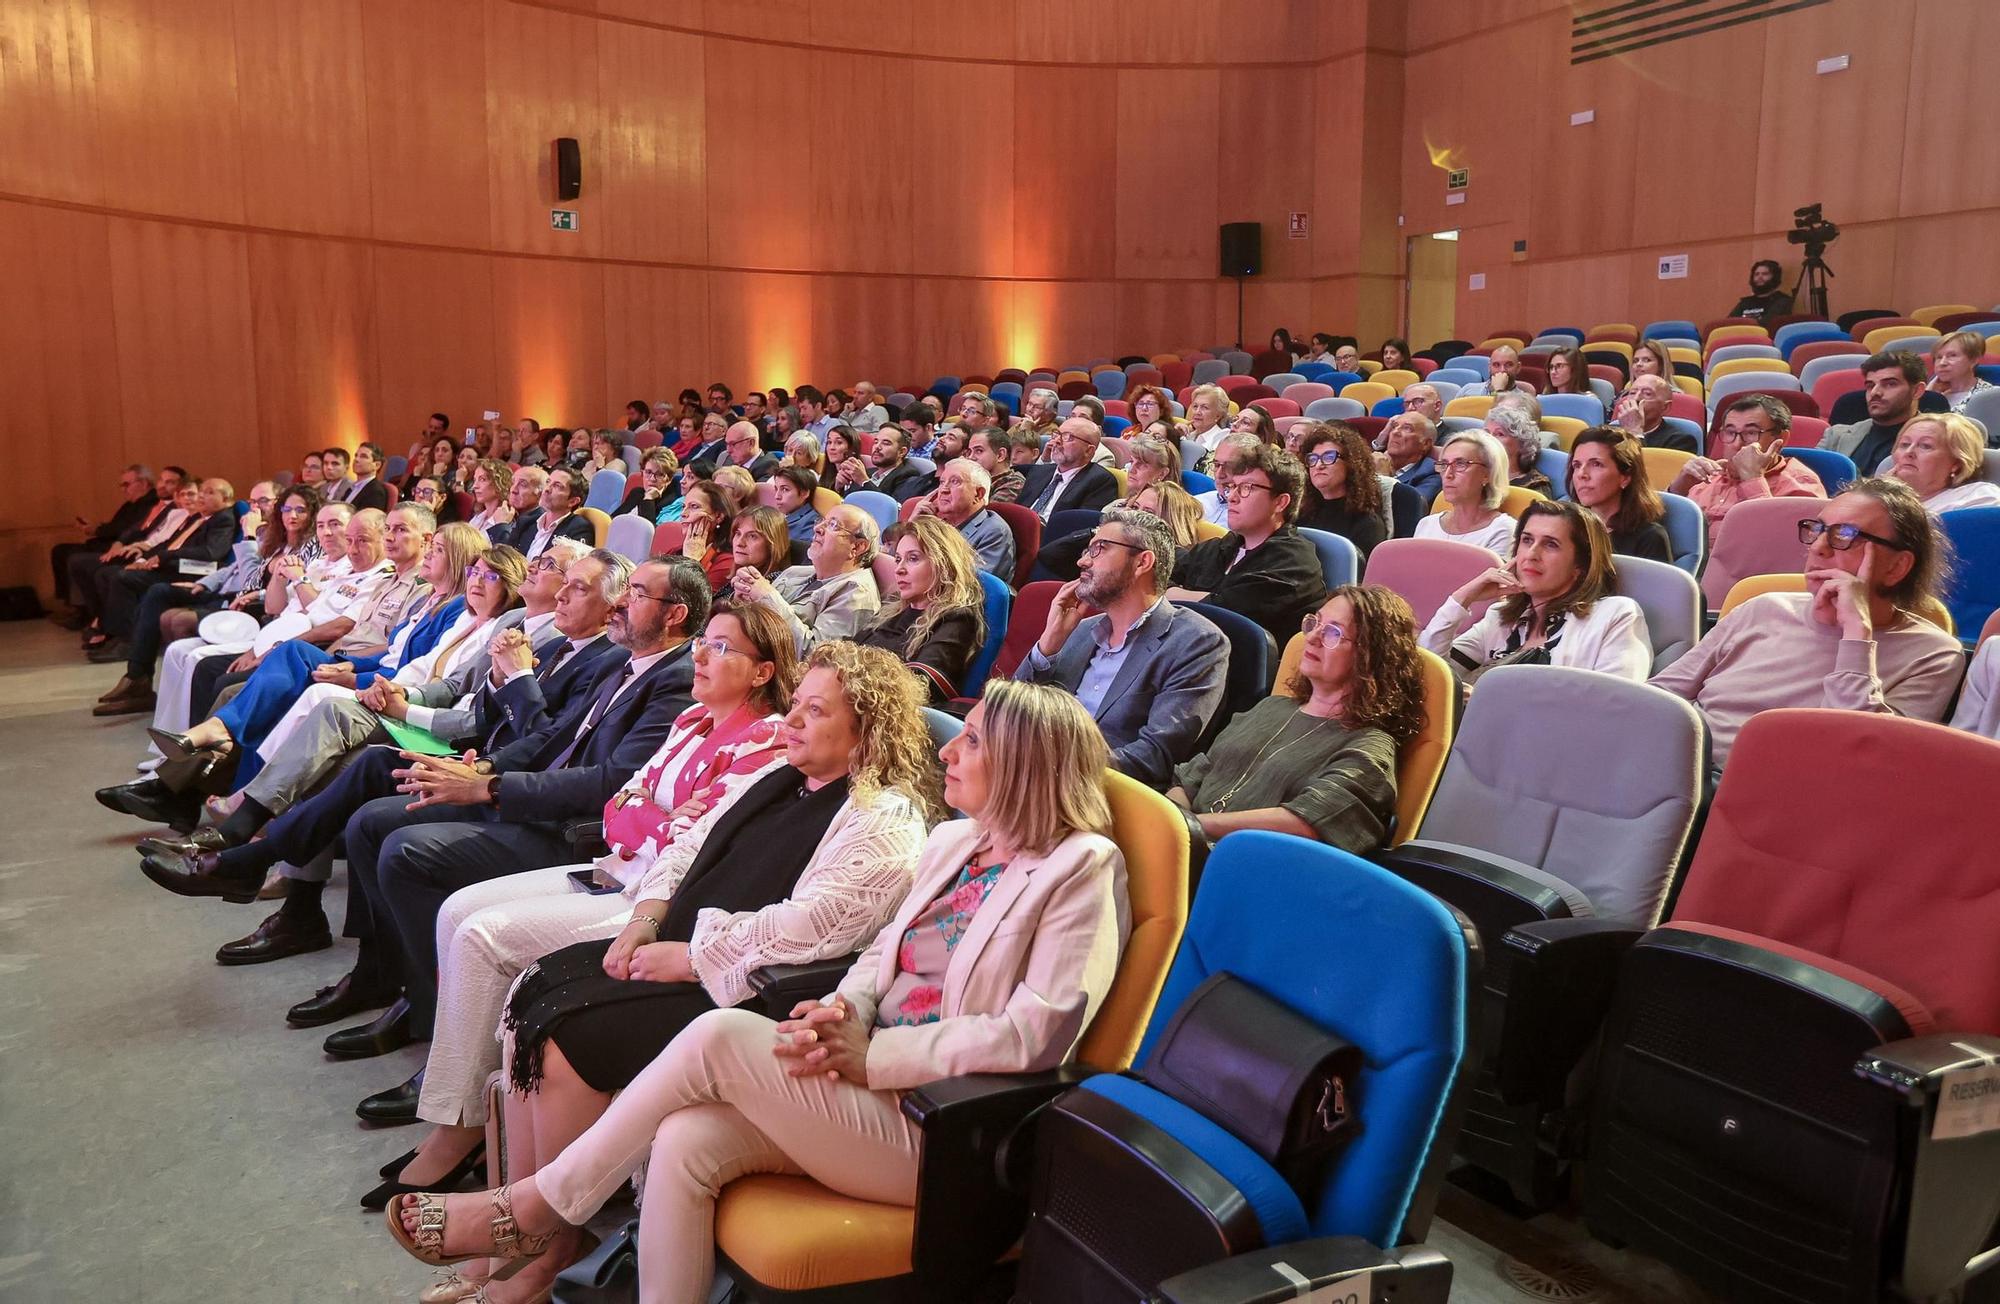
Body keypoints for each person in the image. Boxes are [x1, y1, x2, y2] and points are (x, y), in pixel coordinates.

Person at [383, 679, 1126, 1304]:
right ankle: (547, 1224)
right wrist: (840, 1010)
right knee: (685, 1137)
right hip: (863, 1079)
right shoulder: (955, 841)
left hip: (944, 1122)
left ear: (1025, 764)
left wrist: (874, 1056)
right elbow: (880, 954)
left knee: (716, 1034)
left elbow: (1035, 1033)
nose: (947, 752)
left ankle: (533, 1209)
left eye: (972, 742)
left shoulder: (1081, 868)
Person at [380, 641, 937, 1294]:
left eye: (815, 712)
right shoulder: (778, 775)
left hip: (748, 993)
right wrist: (645, 917)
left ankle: (540, 1245)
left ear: (867, 730)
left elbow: (812, 928)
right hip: (679, 947)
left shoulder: (882, 820)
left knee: (573, 1038)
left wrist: (692, 956)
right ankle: (522, 1236)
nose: (790, 721)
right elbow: (685, 844)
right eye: (796, 705)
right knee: (535, 988)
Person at [139, 545, 620, 966]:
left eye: (570, 581)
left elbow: (541, 740)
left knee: (338, 741)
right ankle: (273, 880)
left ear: (612, 608)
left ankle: (259, 862)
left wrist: (473, 733)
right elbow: (460, 690)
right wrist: (405, 696)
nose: (556, 588)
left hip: (483, 763)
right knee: (339, 749)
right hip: (463, 741)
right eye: (474, 571)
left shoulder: (589, 655)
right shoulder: (525, 630)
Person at [313, 555, 707, 1065]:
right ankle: (388, 979)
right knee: (373, 823)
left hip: (572, 831)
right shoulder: (624, 662)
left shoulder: (675, 679)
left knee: (406, 850)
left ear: (674, 614)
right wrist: (484, 768)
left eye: (634, 594)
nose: (619, 603)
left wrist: (492, 789)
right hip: (533, 800)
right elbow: (555, 737)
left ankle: (439, 1022)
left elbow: (611, 782)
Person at [1653, 480, 1962, 769]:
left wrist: (1856, 635)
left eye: (1845, 535)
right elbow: (1661, 695)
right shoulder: (1763, 608)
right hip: (1679, 769)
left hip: (1781, 792)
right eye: (1817, 529)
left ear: (1897, 566)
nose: (1817, 547)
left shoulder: (1932, 653)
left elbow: (1863, 760)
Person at [1171, 584, 1425, 863]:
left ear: (1371, 656)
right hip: (1184, 846)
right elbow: (1191, 777)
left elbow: (1309, 822)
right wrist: (1166, 818)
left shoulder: (1371, 746)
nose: (1312, 637)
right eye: (1315, 623)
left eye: (1333, 632)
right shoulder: (1272, 707)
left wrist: (1190, 826)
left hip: (1249, 868)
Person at [1018, 508, 1227, 788]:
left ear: (1142, 562)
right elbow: (1010, 711)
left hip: (1096, 789)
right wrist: (1048, 644)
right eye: (1087, 550)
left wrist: (1056, 766)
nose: (1082, 561)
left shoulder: (1198, 642)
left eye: (1099, 549)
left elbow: (1154, 755)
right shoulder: (1079, 630)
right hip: (1027, 771)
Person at [95, 483, 323, 717]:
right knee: (159, 594)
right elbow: (233, 568)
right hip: (231, 592)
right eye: (253, 502)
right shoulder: (274, 538)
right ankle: (143, 682)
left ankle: (169, 696)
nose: (256, 508)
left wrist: (248, 536)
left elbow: (251, 583)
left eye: (264, 501)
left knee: (175, 618)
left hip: (254, 610)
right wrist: (205, 583)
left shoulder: (301, 545)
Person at [1423, 501, 1652, 688]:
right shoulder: (1500, 619)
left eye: (1551, 544)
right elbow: (1428, 674)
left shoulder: (1615, 615)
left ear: (1581, 565)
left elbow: (1616, 704)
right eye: (1527, 540)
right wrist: (1462, 599)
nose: (1531, 554)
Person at [1166, 445, 1328, 641]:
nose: (1232, 497)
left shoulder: (1294, 564)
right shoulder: (1221, 546)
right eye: (1232, 486)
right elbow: (1159, 579)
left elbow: (1223, 613)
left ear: (1280, 502)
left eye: (1247, 488)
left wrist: (1171, 594)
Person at [857, 516, 985, 703]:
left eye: (913, 558)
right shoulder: (892, 607)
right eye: (898, 559)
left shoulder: (957, 618)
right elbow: (851, 646)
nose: (899, 569)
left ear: (943, 564)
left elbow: (919, 686)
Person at [734, 504, 883, 652]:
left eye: (833, 525)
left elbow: (814, 654)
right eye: (822, 521)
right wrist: (743, 600)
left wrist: (768, 597)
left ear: (857, 547)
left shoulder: (856, 594)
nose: (817, 528)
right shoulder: (794, 572)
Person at [1667, 395, 1826, 525]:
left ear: (1781, 439)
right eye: (1730, 432)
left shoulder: (1801, 484)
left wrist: (1753, 479)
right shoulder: (1707, 477)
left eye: (1751, 433)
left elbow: (1789, 545)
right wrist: (1677, 491)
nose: (1737, 444)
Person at [49, 464, 160, 618]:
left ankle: (82, 611)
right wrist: (97, 528)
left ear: (144, 483)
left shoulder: (151, 503)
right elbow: (116, 526)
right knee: (60, 550)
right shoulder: (130, 505)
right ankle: (70, 604)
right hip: (110, 543)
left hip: (123, 548)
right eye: (121, 485)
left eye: (126, 484)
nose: (123, 489)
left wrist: (98, 530)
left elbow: (127, 531)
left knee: (74, 557)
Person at [1567, 427, 1672, 562]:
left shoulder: (1650, 538)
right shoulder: (1566, 527)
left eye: (1596, 464)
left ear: (1626, 477)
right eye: (1576, 466)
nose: (1581, 474)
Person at [1820, 350, 1927, 476]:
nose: (1875, 392)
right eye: (1870, 386)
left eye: (1890, 384)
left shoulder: (1936, 441)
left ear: (1917, 391)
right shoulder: (1835, 436)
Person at [1415, 430, 1518, 555]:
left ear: (1488, 474)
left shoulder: (1503, 531)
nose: (1448, 474)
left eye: (1460, 464)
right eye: (1444, 464)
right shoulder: (1427, 524)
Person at [1296, 423, 1387, 560]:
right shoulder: (1301, 513)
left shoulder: (1367, 524)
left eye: (1328, 457)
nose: (1318, 465)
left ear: (1351, 464)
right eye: (1313, 459)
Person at [910, 459, 1014, 579]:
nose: (943, 490)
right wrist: (913, 526)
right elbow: (899, 562)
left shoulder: (994, 532)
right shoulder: (934, 522)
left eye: (955, 482)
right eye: (942, 482)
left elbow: (972, 583)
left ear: (978, 494)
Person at [1889, 413, 2000, 514]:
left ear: (1957, 463)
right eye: (1905, 444)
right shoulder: (1884, 500)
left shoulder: (1977, 496)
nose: (1908, 452)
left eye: (1926, 446)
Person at [1020, 418, 1119, 519]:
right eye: (1057, 434)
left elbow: (1080, 524)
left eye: (1067, 437)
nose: (1057, 441)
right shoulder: (1040, 471)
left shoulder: (1100, 481)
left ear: (1088, 451)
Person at [520, 468, 596, 560]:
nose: (547, 489)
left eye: (557, 486)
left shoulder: (579, 529)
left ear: (572, 501)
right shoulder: (527, 521)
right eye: (548, 482)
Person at [1610, 373, 1694, 452]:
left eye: (1647, 394)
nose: (1636, 398)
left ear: (1665, 407)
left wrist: (1634, 432)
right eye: (1632, 393)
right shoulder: (1610, 433)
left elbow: (1643, 463)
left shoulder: (1680, 440)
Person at [1484, 405, 1553, 496]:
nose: (1489, 438)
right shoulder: (1476, 473)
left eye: (1500, 434)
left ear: (1522, 443)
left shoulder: (1535, 485)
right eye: (1487, 433)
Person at [1381, 411, 1443, 507]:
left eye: (1407, 428)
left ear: (1425, 444)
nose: (1395, 432)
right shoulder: (1376, 462)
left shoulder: (1432, 473)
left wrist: (1383, 478)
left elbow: (1411, 508)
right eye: (1394, 426)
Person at [1928, 330, 1996, 416]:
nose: (1942, 363)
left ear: (1973, 360)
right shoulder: (1935, 396)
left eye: (1952, 355)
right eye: (1939, 357)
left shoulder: (1991, 396)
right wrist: (1927, 396)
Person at [615, 449, 680, 523]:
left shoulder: (670, 504)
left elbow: (648, 528)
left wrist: (649, 498)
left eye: (659, 474)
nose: (652, 479)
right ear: (642, 472)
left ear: (669, 479)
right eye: (648, 472)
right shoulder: (637, 493)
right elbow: (613, 519)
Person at [729, 505, 794, 579]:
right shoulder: (736, 578)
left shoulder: (781, 584)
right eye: (738, 533)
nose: (739, 543)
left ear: (772, 545)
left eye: (752, 536)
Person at [966, 427, 1026, 505]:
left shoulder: (1013, 483)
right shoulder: (975, 479)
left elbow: (986, 512)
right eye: (970, 452)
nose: (970, 457)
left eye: (979, 451)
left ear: (1000, 455)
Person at [1729, 258, 1793, 321]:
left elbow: (1767, 322)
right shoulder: (1745, 302)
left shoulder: (1782, 301)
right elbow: (1729, 322)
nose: (1759, 277)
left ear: (1774, 277)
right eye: (1756, 274)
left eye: (1765, 274)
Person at [1459, 345, 1533, 397]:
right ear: (1489, 367)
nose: (1502, 370)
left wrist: (1498, 391)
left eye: (1508, 365)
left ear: (1518, 368)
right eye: (1496, 365)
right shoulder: (1468, 390)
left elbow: (1495, 413)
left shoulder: (1523, 399)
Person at [465, 460, 516, 534]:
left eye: (482, 479)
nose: (475, 486)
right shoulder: (479, 516)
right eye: (475, 480)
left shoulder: (507, 520)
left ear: (498, 483)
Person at [1184, 384, 1231, 459]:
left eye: (1205, 407)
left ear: (1218, 415)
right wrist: (1175, 436)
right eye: (1195, 406)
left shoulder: (1221, 440)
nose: (1197, 412)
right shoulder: (1187, 435)